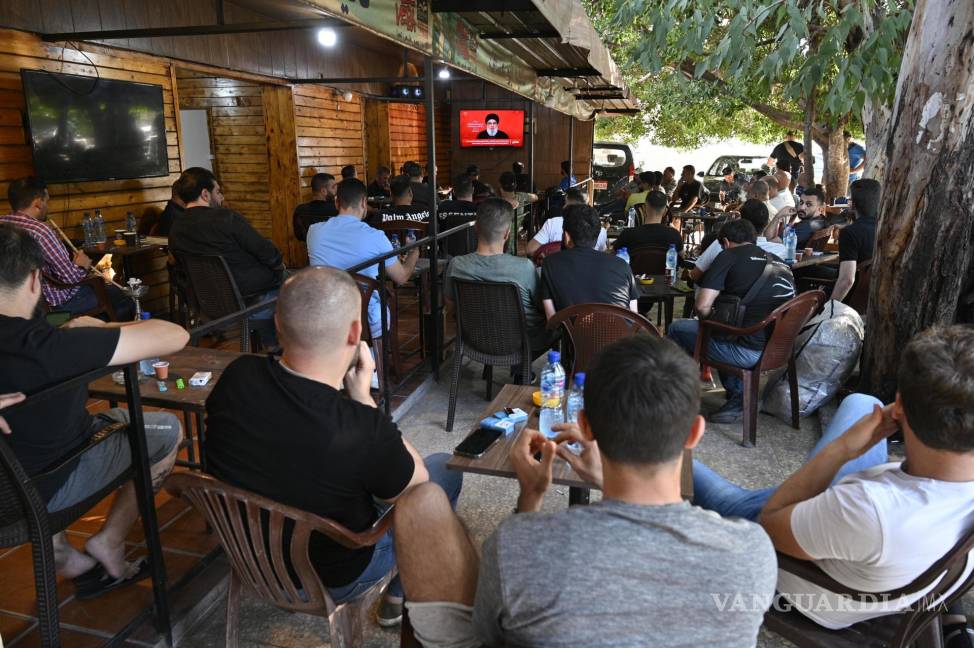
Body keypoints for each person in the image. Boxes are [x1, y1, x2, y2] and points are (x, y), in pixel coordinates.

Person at [393, 335, 777, 647]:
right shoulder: (753, 553)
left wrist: (529, 500)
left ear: (585, 426)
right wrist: (605, 481)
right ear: (694, 433)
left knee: (423, 510)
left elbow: (492, 635)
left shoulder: (517, 546)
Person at [205, 267, 461, 627]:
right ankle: (401, 593)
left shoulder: (236, 376)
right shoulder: (359, 426)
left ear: (278, 323)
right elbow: (418, 490)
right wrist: (364, 400)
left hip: (251, 560)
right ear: (356, 333)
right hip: (332, 575)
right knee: (445, 470)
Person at [693, 325, 974, 630]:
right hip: (865, 537)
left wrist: (841, 450)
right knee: (863, 403)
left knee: (686, 469)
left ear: (901, 406)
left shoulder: (869, 510)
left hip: (811, 589)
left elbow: (767, 523)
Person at [0, 223, 187, 596]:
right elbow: (174, 335)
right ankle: (110, 541)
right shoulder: (47, 345)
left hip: (10, 487)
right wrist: (98, 325)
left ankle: (61, 552)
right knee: (166, 430)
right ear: (36, 279)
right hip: (41, 492)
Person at [669, 218, 796, 423]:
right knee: (729, 328)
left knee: (678, 328)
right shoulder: (780, 262)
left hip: (746, 353)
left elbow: (702, 306)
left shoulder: (727, 256)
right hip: (781, 350)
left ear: (726, 242)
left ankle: (674, 398)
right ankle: (740, 393)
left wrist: (710, 321)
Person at [168, 167, 284, 347]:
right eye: (218, 192)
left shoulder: (175, 230)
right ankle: (279, 348)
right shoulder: (226, 218)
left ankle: (271, 345)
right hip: (253, 301)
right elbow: (268, 253)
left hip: (209, 306)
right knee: (300, 286)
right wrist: (278, 266)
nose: (221, 198)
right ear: (205, 194)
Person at [306, 179, 419, 363]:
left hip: (323, 313)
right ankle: (369, 363)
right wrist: (414, 252)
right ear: (364, 203)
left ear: (336, 203)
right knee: (382, 302)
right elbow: (401, 277)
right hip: (363, 318)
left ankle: (342, 362)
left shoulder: (313, 232)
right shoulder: (375, 237)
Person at [0, 177, 133, 320]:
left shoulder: (3, 223)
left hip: (16, 303)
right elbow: (69, 278)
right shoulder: (41, 231)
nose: (47, 206)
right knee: (122, 296)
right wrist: (82, 265)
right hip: (55, 305)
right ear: (38, 203)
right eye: (47, 201)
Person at [444, 199, 549, 354]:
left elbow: (450, 307)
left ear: (476, 228)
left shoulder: (456, 265)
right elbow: (541, 306)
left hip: (474, 338)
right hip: (520, 342)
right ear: (507, 233)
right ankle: (523, 372)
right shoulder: (524, 267)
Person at [540, 204, 639, 317]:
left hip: (571, 334)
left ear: (567, 237)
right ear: (597, 236)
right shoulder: (622, 265)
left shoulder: (550, 264)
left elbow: (552, 319)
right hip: (621, 334)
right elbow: (634, 317)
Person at [690, 200, 787, 282]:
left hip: (725, 300)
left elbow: (695, 275)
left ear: (742, 221)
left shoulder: (722, 244)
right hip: (770, 303)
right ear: (766, 223)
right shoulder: (781, 250)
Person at [831, 178, 879, 302]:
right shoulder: (886, 227)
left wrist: (829, 308)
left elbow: (847, 280)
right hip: (874, 296)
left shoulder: (850, 233)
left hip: (851, 299)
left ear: (852, 204)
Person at [527, 187, 607, 256]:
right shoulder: (600, 229)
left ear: (567, 200)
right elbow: (602, 253)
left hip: (556, 269)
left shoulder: (552, 223)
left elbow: (530, 250)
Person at [612, 190, 683, 252]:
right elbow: (682, 258)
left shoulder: (627, 234)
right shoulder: (674, 235)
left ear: (644, 209)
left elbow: (613, 255)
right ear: (665, 211)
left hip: (635, 267)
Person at [437, 176, 478, 257]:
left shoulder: (444, 207)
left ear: (454, 192)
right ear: (473, 190)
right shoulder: (480, 210)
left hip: (448, 256)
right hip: (474, 255)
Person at [292, 172, 338, 242]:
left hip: (311, 250)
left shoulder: (300, 210)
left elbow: (300, 236)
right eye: (333, 188)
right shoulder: (338, 210)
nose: (336, 191)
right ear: (323, 191)